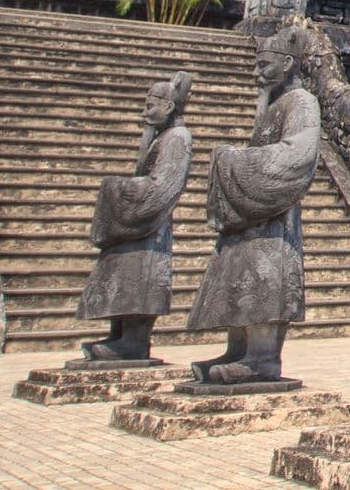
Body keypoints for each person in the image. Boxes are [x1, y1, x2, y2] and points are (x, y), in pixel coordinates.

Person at [188, 27, 321, 383]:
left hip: (275, 215)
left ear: (288, 62)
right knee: (241, 272)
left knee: (264, 279)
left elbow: (300, 154)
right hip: (254, 207)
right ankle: (239, 349)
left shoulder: (301, 102)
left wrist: (235, 162)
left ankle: (262, 357)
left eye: (264, 65)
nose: (255, 72)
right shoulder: (275, 104)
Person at [78, 71, 193, 361]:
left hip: (151, 223)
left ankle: (135, 340)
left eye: (150, 106)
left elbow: (165, 186)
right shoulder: (162, 137)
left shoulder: (178, 138)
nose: (145, 111)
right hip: (139, 221)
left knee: (140, 279)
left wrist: (117, 190)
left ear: (168, 107)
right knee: (124, 273)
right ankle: (119, 334)